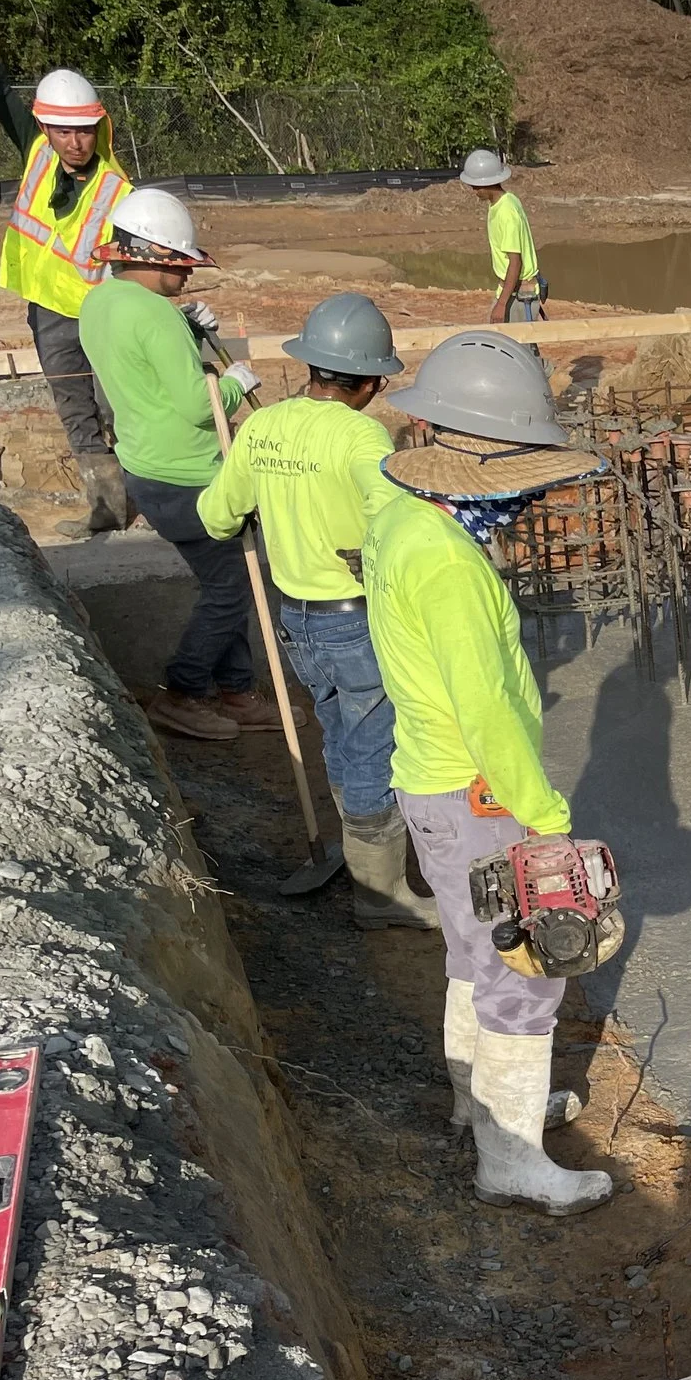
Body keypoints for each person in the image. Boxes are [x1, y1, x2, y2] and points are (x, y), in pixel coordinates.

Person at [365, 329, 612, 1216]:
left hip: (429, 784)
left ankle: (484, 1106)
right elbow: (491, 713)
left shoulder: (401, 512)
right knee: (526, 969)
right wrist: (544, 815)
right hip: (477, 793)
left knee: (473, 953)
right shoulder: (451, 567)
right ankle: (511, 1159)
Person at [197, 294, 435, 927]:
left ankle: (361, 864)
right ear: (365, 382)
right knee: (374, 747)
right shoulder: (362, 436)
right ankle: (381, 897)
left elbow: (216, 516)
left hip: (296, 619)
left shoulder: (263, 427)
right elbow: (394, 521)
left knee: (341, 734)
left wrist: (259, 505)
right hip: (353, 619)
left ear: (311, 368)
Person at [77, 187, 281, 742]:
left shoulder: (101, 302)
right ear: (151, 257)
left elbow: (143, 366)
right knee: (231, 588)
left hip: (147, 466)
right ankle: (185, 692)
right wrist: (234, 382)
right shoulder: (155, 317)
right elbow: (198, 405)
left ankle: (236, 689)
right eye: (180, 264)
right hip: (190, 475)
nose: (187, 275)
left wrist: (188, 329)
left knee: (229, 578)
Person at [0, 24, 132, 537]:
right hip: (48, 312)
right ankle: (107, 510)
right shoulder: (36, 153)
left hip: (102, 315)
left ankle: (150, 499)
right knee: (75, 408)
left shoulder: (118, 190)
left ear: (98, 127)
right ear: (46, 128)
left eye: (83, 130)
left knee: (121, 408)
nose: (74, 141)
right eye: (63, 131)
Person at [460, 149, 545, 324]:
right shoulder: (503, 202)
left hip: (520, 295)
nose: (474, 191)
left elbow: (515, 261)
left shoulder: (507, 213)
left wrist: (502, 304)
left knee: (516, 349)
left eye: (476, 186)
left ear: (488, 183)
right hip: (510, 289)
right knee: (498, 345)